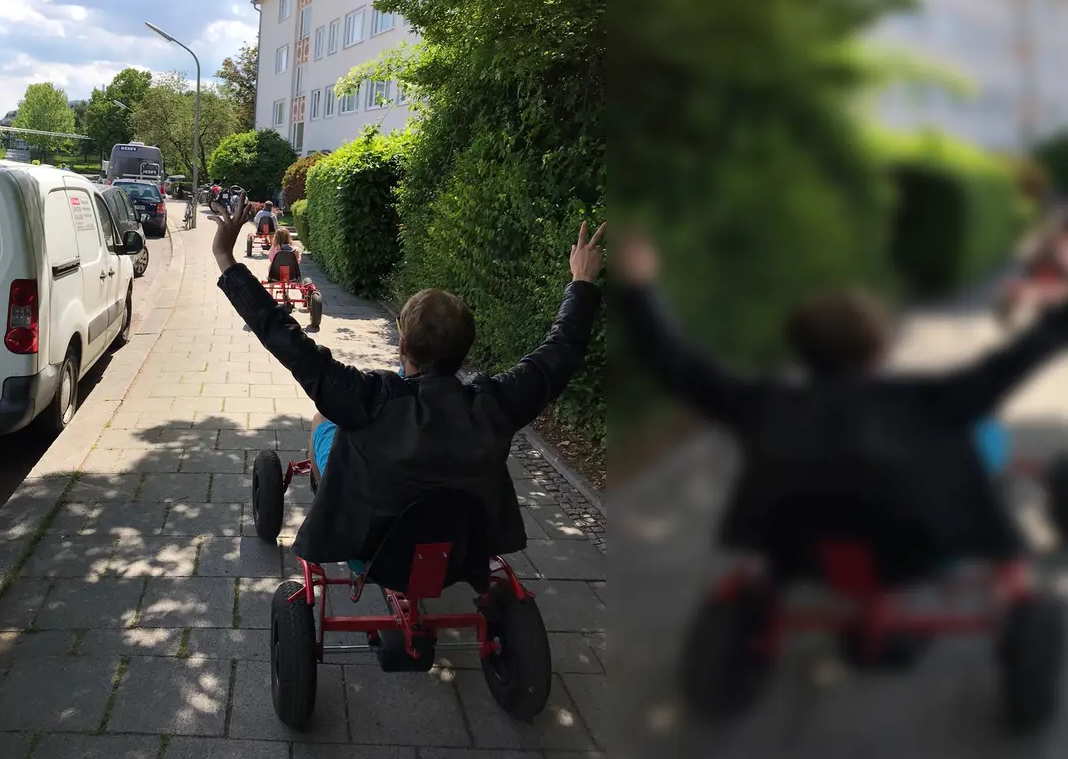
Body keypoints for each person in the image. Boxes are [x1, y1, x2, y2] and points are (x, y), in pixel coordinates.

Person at [611, 235, 1068, 585]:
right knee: (983, 438)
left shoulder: (763, 405)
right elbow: (1018, 358)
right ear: (879, 349)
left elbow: (679, 364)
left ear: (801, 349)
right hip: (916, 553)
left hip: (796, 551)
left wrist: (639, 290)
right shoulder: (930, 401)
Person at [209, 198, 606, 574]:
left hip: (369, 550)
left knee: (325, 421)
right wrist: (582, 282)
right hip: (462, 552)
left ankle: (328, 490)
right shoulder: (495, 405)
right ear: (464, 350)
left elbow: (282, 335)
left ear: (401, 345)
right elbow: (560, 352)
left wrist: (226, 259)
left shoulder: (367, 398)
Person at [262, 229, 325, 331]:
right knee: (300, 279)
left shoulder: (274, 248)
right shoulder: (294, 250)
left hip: (275, 276)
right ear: (288, 237)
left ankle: (271, 294)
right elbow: (298, 261)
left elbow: (271, 259)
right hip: (292, 276)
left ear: (276, 238)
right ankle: (305, 300)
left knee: (271, 275)